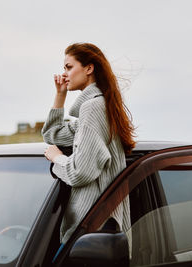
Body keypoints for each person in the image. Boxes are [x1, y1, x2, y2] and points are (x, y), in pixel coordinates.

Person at [42, 42, 135, 246]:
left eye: (68, 67)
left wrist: (56, 158)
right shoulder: (99, 106)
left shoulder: (93, 108)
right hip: (99, 233)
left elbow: (79, 173)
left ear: (89, 68)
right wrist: (60, 95)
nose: (64, 73)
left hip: (93, 231)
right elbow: (53, 135)